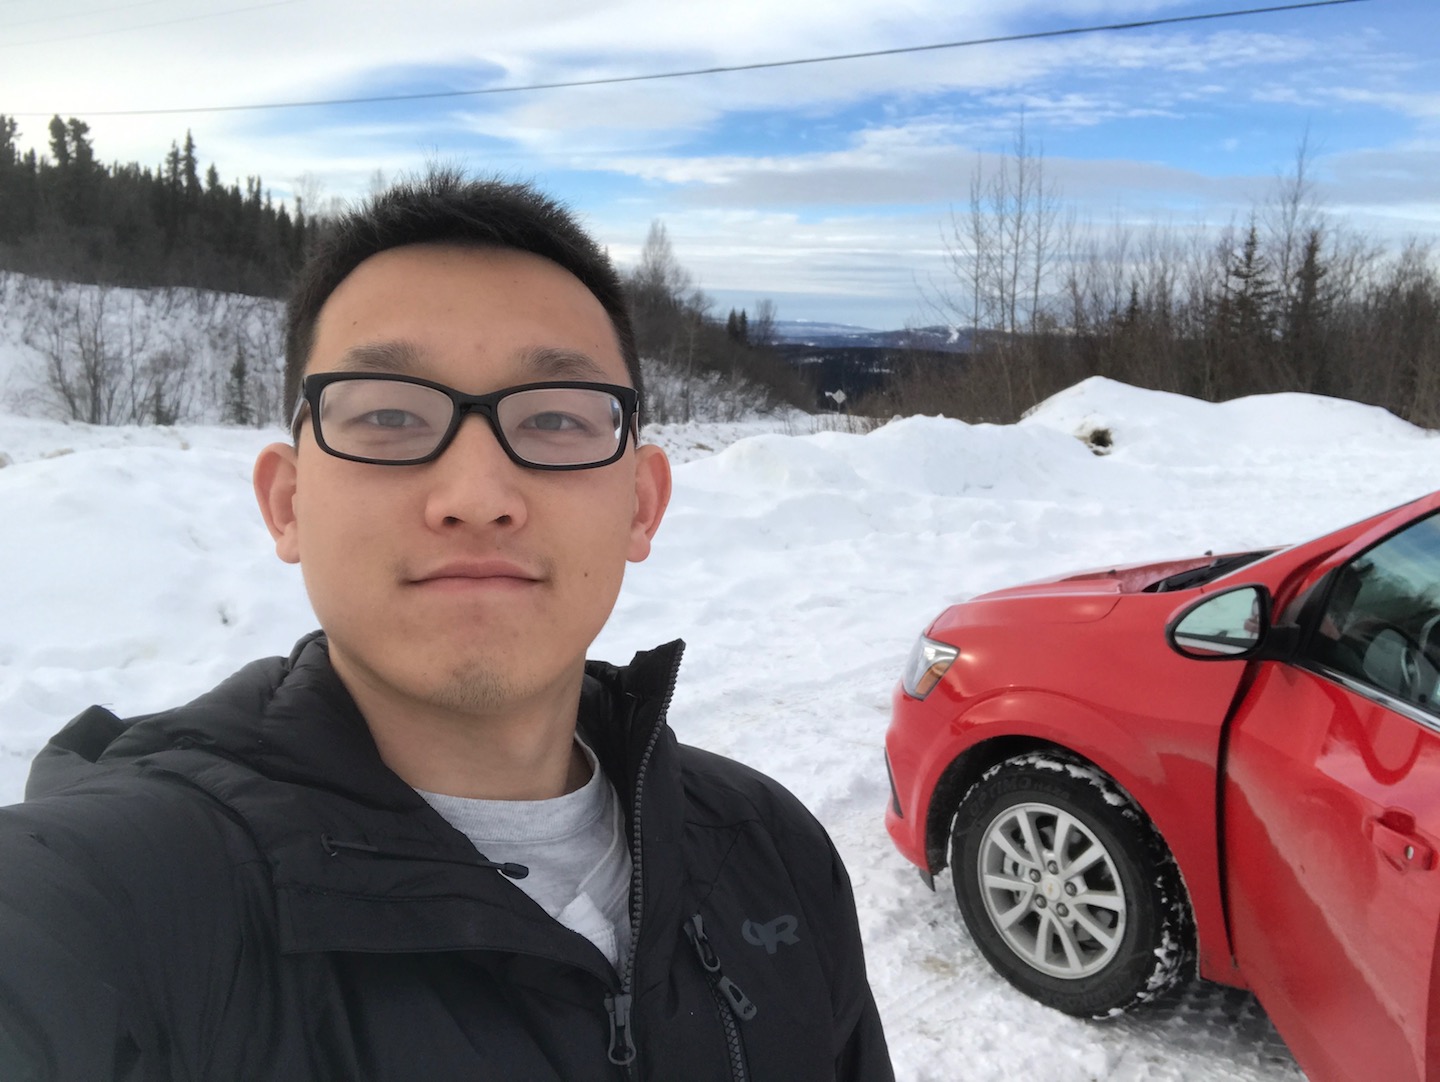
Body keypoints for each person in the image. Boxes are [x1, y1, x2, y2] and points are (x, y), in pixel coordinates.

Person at [0, 171, 893, 1081]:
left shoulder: (771, 849)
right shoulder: (125, 902)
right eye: (389, 414)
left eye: (553, 418)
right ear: (288, 502)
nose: (476, 498)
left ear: (641, 504)